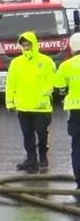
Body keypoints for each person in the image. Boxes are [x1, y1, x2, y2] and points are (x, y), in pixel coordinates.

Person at [6, 31, 57, 173]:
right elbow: (11, 84)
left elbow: (54, 80)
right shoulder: (16, 63)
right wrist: (10, 102)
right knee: (27, 136)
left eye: (28, 45)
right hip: (23, 106)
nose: (26, 48)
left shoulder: (46, 62)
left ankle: (43, 157)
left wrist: (48, 90)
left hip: (42, 107)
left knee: (42, 135)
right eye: (24, 45)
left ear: (34, 44)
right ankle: (31, 160)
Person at [57, 33, 80, 202]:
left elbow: (60, 87)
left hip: (75, 112)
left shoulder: (66, 66)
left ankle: (79, 182)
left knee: (77, 148)